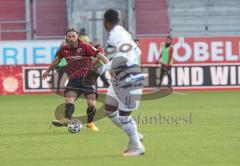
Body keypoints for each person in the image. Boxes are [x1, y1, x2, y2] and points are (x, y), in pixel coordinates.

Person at [99, 9, 145, 156]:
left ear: (106, 21)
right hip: (122, 76)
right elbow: (138, 52)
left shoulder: (117, 33)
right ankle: (135, 137)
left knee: (124, 116)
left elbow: (122, 55)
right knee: (109, 109)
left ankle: (137, 147)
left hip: (128, 76)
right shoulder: (121, 32)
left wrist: (102, 68)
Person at [42, 28, 109, 131]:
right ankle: (66, 119)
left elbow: (101, 56)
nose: (71, 38)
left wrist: (109, 67)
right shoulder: (64, 49)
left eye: (73, 36)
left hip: (88, 80)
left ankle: (90, 123)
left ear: (78, 37)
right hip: (73, 80)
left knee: (91, 104)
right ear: (66, 37)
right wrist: (48, 71)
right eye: (69, 36)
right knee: (69, 99)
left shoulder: (86, 47)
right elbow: (57, 60)